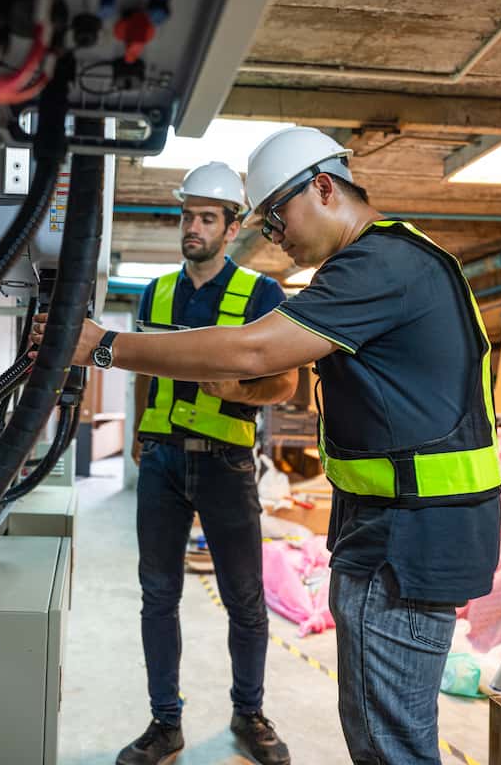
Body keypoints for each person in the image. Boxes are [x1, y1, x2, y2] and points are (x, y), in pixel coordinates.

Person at [33, 129, 501, 765]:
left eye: (276, 218)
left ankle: (248, 711)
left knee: (390, 740)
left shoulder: (379, 265)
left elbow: (257, 351)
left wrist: (105, 346)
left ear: (325, 187)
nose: (275, 238)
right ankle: (163, 720)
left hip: (406, 532)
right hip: (389, 523)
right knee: (379, 730)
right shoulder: (384, 264)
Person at [116, 161, 297, 765]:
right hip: (163, 461)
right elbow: (143, 363)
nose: (191, 226)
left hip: (226, 463)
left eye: (206, 217)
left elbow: (285, 384)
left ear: (232, 226)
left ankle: (250, 715)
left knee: (245, 598)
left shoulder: (261, 294)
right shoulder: (157, 291)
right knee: (157, 595)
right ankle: (164, 724)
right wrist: (144, 430)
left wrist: (241, 393)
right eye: (187, 215)